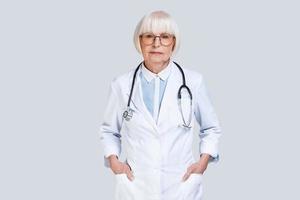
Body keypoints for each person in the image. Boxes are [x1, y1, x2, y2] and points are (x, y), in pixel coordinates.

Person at [100, 10, 222, 200]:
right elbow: (109, 131)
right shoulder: (121, 85)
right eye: (149, 36)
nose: (156, 43)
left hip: (181, 185)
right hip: (136, 186)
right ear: (139, 41)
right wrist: (114, 162)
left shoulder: (193, 82)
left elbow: (211, 128)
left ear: (173, 42)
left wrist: (203, 162)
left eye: (164, 37)